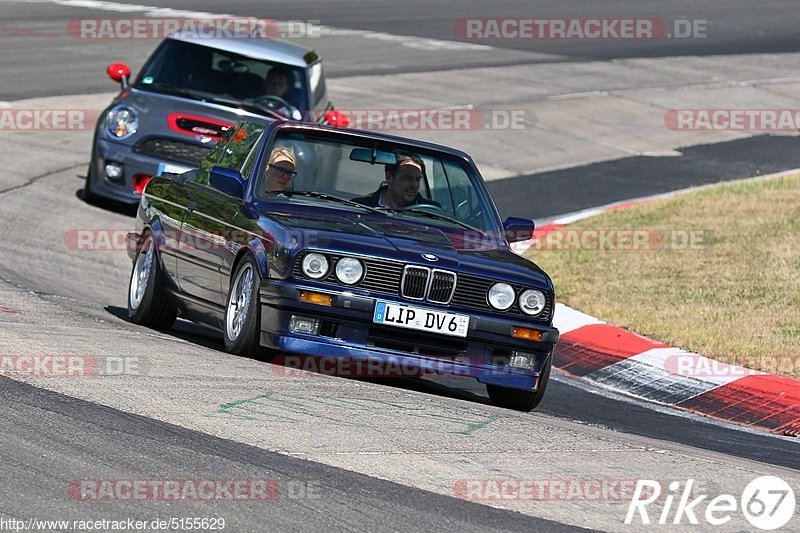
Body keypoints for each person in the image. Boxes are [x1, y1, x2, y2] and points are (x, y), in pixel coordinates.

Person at [352, 152, 432, 209]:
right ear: (389, 177)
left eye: (418, 179)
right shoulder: (360, 206)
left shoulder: (432, 212)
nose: (414, 185)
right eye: (408, 178)